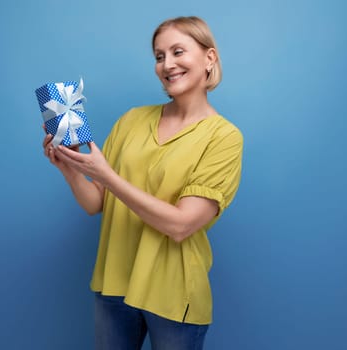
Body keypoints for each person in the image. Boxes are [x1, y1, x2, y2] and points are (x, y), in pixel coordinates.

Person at [42, 16, 243, 350]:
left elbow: (180, 225)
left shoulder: (224, 137)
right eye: (159, 56)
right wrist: (70, 166)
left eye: (178, 51)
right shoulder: (132, 119)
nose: (168, 64)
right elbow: (97, 203)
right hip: (114, 283)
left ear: (209, 58)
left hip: (173, 293)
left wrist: (106, 174)